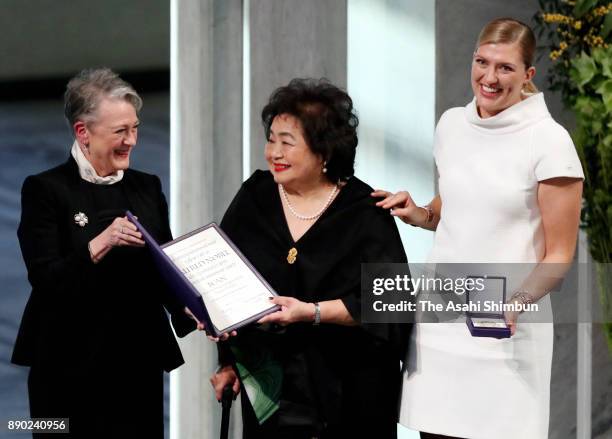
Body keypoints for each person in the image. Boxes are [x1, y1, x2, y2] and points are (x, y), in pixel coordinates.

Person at [374, 18, 584, 439]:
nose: (489, 77)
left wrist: (517, 302)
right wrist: (421, 214)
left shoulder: (549, 142)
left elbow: (560, 254)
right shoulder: (452, 125)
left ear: (528, 75)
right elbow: (452, 209)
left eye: (504, 68)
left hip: (505, 333)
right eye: (481, 62)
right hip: (440, 325)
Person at [209, 78, 410, 438]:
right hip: (273, 392)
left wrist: (312, 311)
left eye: (287, 143)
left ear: (324, 153)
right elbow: (226, 279)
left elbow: (390, 306)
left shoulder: (366, 212)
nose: (274, 153)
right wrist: (228, 363)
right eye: (271, 140)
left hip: (350, 395)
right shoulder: (255, 196)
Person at [12, 68, 196, 437]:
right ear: (83, 132)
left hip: (135, 366)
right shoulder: (45, 190)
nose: (132, 140)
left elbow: (163, 268)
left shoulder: (147, 187)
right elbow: (46, 278)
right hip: (63, 368)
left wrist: (193, 308)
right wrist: (100, 242)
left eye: (135, 128)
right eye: (120, 131)